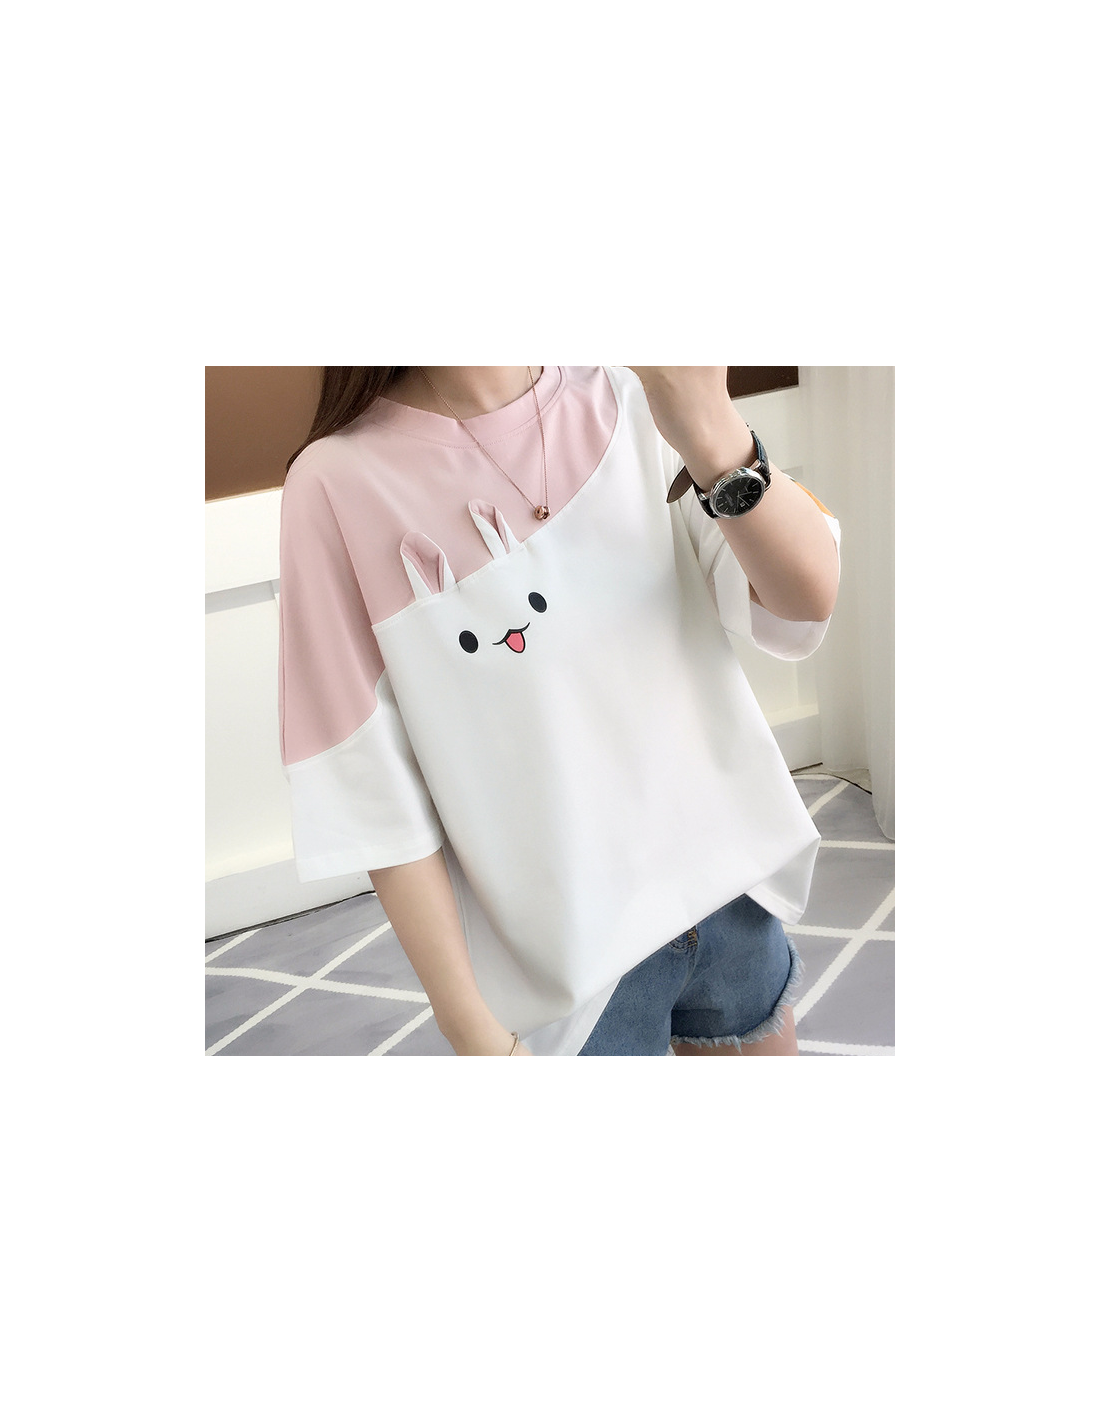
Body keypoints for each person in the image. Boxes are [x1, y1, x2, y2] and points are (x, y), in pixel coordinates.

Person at [277, 366, 841, 1056]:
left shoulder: (629, 393)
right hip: (574, 974)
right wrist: (471, 1028)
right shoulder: (334, 487)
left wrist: (711, 424)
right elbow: (373, 792)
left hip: (733, 899)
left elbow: (803, 600)